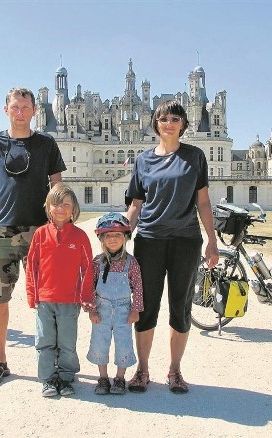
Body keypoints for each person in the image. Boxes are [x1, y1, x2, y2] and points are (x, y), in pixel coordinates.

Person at [125, 100, 219, 394]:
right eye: (163, 118)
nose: (169, 123)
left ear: (182, 124)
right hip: (150, 240)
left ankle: (175, 370)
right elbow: (136, 205)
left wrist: (212, 241)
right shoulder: (143, 161)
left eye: (175, 118)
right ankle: (142, 369)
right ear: (155, 122)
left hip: (185, 241)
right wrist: (120, 235)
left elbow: (203, 202)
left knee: (180, 307)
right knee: (145, 306)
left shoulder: (195, 157)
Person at [0, 87, 66, 386]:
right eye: (15, 107)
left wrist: (56, 223)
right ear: (6, 110)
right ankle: (0, 360)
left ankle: (50, 362)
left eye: (25, 107)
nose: (20, 112)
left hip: (39, 231)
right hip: (2, 231)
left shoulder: (46, 144)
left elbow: (57, 185)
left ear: (34, 111)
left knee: (46, 298)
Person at [25, 183, 93, 397]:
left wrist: (85, 296)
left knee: (67, 343)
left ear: (73, 208)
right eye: (55, 204)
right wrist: (32, 295)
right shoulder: (40, 234)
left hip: (70, 301)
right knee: (44, 341)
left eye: (66, 204)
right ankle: (47, 378)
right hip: (45, 300)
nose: (60, 209)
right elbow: (31, 266)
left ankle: (65, 377)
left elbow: (88, 268)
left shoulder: (80, 237)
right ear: (48, 207)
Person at [87, 212, 144, 396]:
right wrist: (92, 309)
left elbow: (138, 288)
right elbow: (90, 287)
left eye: (117, 235)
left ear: (125, 237)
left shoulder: (131, 263)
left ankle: (120, 378)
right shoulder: (97, 262)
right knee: (99, 342)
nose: (112, 239)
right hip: (102, 310)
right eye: (108, 235)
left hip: (123, 311)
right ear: (102, 238)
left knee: (124, 343)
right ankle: (103, 378)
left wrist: (136, 309)